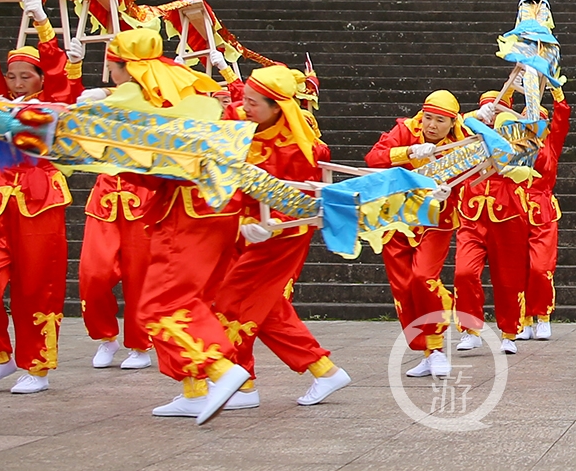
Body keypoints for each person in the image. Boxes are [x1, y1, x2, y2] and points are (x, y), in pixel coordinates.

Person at [93, 30, 249, 424]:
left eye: (111, 68)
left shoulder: (149, 102)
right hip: (214, 209)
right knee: (190, 299)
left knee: (160, 304)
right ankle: (194, 389)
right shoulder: (183, 89)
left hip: (186, 213)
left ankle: (221, 371)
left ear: (123, 68)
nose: (109, 75)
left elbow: (152, 168)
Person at [210, 66, 351, 410]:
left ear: (277, 108)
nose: (245, 108)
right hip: (239, 231)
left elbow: (305, 202)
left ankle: (240, 384)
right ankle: (323, 369)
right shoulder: (238, 119)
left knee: (232, 301)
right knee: (268, 308)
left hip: (281, 238)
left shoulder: (303, 150)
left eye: (254, 104)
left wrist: (270, 223)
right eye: (244, 100)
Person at [0, 0, 84, 395]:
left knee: (37, 286)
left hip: (40, 197)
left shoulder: (54, 102)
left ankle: (36, 365)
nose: (16, 83)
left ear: (40, 80)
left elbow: (57, 70)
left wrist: (43, 24)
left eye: (25, 76)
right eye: (12, 75)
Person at [365, 91, 464, 378]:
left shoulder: (460, 143)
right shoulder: (406, 130)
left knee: (423, 277)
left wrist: (447, 193)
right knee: (404, 287)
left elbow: (469, 175)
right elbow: (374, 158)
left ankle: (437, 346)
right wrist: (407, 152)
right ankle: (428, 351)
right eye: (428, 118)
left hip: (435, 221)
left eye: (440, 121)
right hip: (397, 219)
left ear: (451, 122)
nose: (431, 126)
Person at [454, 93, 530, 354]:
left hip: (507, 214)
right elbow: (456, 127)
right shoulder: (470, 133)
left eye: (498, 109)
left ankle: (509, 332)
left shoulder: (519, 137)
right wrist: (474, 119)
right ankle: (469, 328)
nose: (493, 113)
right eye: (488, 109)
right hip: (472, 215)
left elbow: (528, 170)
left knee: (508, 277)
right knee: (464, 273)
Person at [518, 87, 570, 341]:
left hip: (543, 212)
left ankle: (543, 315)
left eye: (538, 119)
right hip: (514, 210)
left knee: (540, 267)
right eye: (528, 119)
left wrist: (557, 94)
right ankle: (524, 318)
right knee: (518, 268)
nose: (533, 124)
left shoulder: (552, 143)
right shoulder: (511, 145)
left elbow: (562, 118)